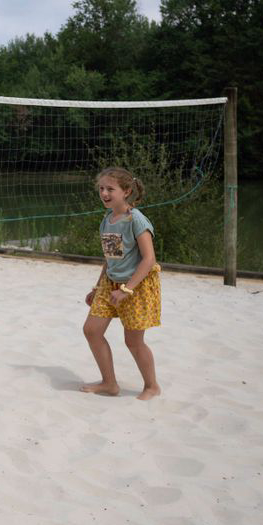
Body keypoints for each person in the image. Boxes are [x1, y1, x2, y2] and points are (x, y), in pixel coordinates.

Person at [81, 167, 161, 400]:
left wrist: (127, 289)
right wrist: (96, 288)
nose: (104, 193)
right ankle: (109, 383)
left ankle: (152, 386)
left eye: (110, 189)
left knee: (133, 342)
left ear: (126, 191)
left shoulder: (136, 219)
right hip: (110, 283)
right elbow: (110, 259)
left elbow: (149, 259)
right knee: (91, 330)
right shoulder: (107, 219)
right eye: (101, 189)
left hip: (136, 285)